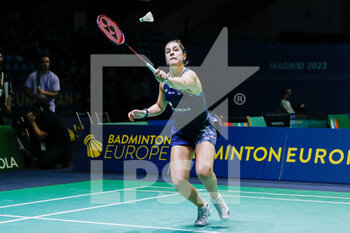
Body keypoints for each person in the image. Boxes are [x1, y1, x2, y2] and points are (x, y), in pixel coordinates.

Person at [128, 40, 230, 226]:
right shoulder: (163, 84)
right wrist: (145, 112)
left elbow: (182, 84)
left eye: (176, 50)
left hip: (203, 127)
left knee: (204, 171)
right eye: (168, 51)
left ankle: (217, 201)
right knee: (178, 181)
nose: (172, 53)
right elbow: (160, 106)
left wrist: (166, 78)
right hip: (181, 132)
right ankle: (202, 206)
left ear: (183, 56)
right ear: (166, 57)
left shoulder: (190, 76)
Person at [26, 99, 71, 169]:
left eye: (35, 109)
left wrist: (32, 123)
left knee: (44, 164)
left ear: (41, 109)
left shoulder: (49, 117)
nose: (33, 111)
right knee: (38, 163)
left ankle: (64, 158)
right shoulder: (41, 117)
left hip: (61, 147)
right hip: (52, 145)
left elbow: (41, 136)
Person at [0, 51, 13, 125]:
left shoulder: (6, 73)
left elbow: (10, 91)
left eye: (0, 57)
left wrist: (8, 104)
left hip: (3, 105)